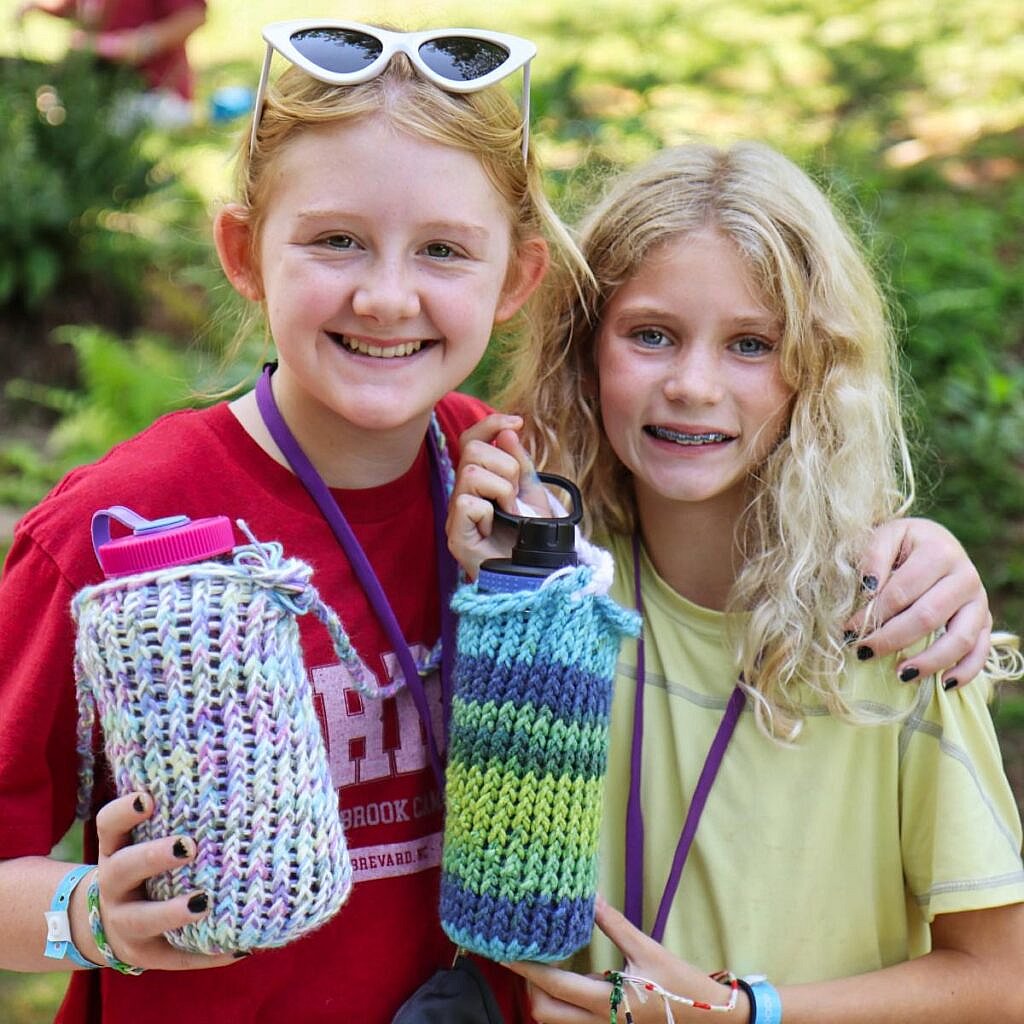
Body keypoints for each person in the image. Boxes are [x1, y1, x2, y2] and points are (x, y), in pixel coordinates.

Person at [0, 16, 997, 1021]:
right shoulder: (116, 529)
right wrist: (84, 915)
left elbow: (742, 521)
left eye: (442, 250)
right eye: (335, 240)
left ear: (515, 278)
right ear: (243, 253)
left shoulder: (520, 490)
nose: (387, 296)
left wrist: (916, 550)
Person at [447, 141, 1024, 1022]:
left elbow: (1002, 980)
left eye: (751, 345)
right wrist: (502, 593)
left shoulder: (894, 622)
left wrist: (744, 1012)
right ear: (583, 350)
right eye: (650, 335)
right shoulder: (554, 604)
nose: (692, 385)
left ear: (815, 373)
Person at [14, 0, 207, 127]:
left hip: (156, 94)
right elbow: (81, 8)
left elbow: (194, 15)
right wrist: (38, 8)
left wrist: (142, 42)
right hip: (103, 84)